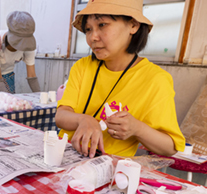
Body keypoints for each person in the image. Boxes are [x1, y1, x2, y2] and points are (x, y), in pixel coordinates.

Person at [55, 0, 185, 158]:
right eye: (88, 29)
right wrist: (83, 120)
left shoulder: (155, 80)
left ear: (133, 25)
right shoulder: (83, 66)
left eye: (102, 24)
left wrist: (137, 129)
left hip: (107, 168)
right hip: (63, 154)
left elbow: (170, 147)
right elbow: (61, 116)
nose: (92, 37)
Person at [0, 11, 41, 95]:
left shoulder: (28, 46)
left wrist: (40, 97)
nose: (21, 47)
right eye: (18, 43)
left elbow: (31, 75)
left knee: (9, 105)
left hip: (7, 72)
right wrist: (8, 98)